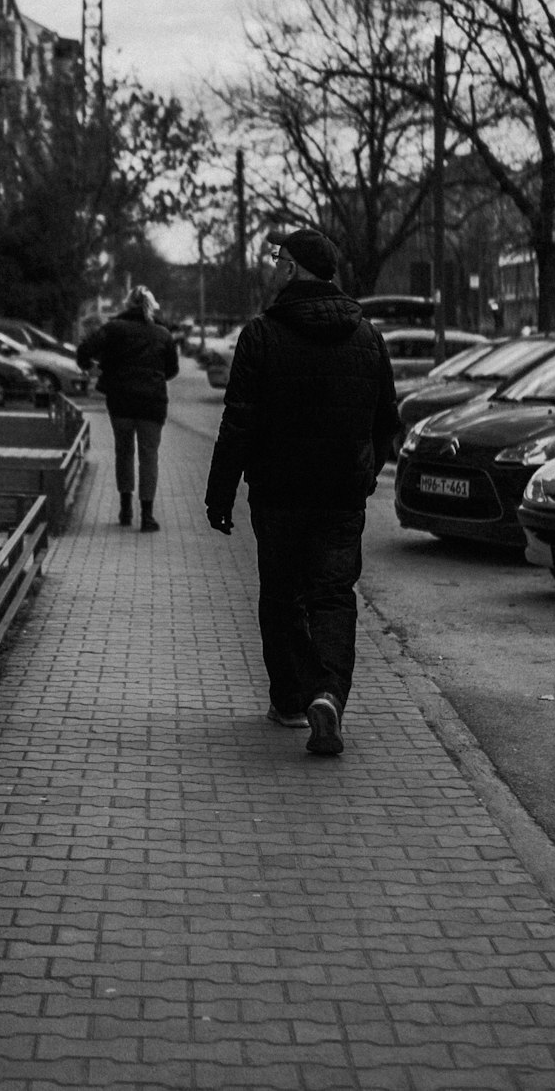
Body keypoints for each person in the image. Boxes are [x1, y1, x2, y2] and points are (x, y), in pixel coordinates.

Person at [204, 229, 399, 757]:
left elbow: (238, 422)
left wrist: (219, 495)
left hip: (279, 496)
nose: (272, 268)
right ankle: (330, 694)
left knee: (282, 596)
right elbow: (388, 423)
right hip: (340, 498)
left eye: (277, 260)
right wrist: (364, 472)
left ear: (293, 269)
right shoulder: (368, 337)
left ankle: (292, 701)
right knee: (334, 596)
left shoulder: (261, 335)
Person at [76, 287, 179, 531]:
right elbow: (172, 370)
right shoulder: (163, 334)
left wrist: (90, 367)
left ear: (127, 304)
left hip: (120, 401)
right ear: (151, 306)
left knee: (123, 452)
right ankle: (147, 516)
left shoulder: (113, 329)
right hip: (152, 405)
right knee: (149, 456)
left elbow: (84, 350)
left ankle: (125, 509)